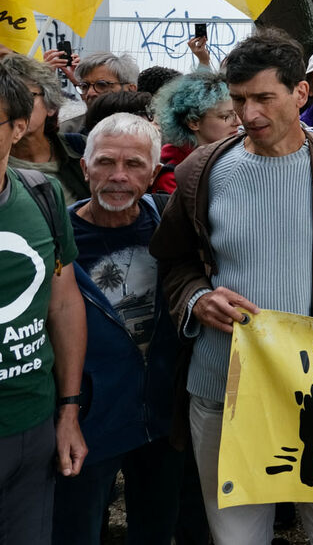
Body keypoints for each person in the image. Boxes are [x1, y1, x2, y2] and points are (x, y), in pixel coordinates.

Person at [149, 28, 313, 544]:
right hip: (223, 384)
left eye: (263, 97)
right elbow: (173, 262)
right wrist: (198, 298)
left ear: (301, 93)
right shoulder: (202, 171)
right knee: (236, 535)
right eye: (238, 100)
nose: (249, 113)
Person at [54, 114, 182, 545]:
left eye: (134, 164)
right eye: (106, 162)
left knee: (157, 530)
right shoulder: (56, 237)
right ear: (85, 167)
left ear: (154, 173)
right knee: (75, 531)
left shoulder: (171, 226)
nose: (119, 176)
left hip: (161, 419)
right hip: (90, 419)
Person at [0, 69, 86, 541]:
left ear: (18, 127)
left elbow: (64, 304)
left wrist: (69, 411)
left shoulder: (42, 194)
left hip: (32, 426)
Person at [0, 52, 90, 204]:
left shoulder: (80, 148)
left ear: (51, 106)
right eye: (7, 100)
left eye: (27, 97)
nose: (16, 107)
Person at [151, 71, 241, 194]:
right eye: (225, 116)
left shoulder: (235, 156)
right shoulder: (174, 178)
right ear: (193, 122)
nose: (238, 122)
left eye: (237, 113)